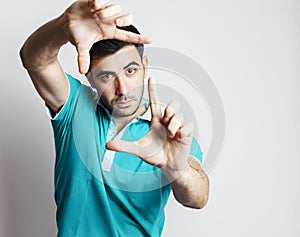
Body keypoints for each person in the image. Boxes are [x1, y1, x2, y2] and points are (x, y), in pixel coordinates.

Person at [20, 0, 209, 236]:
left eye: (131, 71)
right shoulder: (76, 106)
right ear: (89, 77)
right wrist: (62, 26)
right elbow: (34, 60)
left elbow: (199, 196)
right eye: (107, 75)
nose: (123, 88)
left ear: (144, 66)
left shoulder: (170, 136)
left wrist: (176, 169)